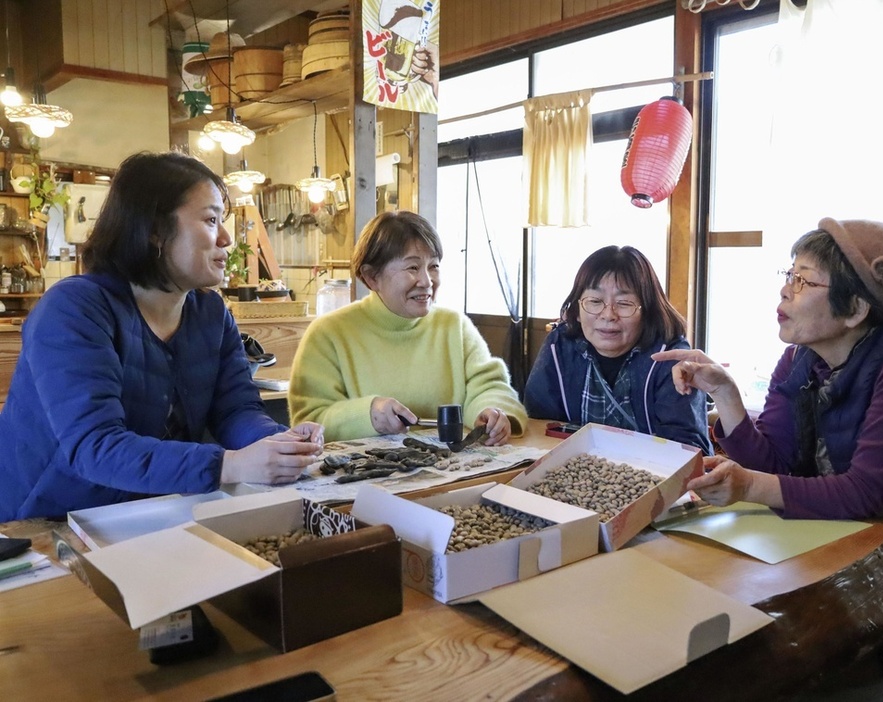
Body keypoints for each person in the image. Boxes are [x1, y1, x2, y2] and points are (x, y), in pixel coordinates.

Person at [0, 152, 324, 522]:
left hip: (152, 510)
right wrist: (229, 465)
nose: (226, 238)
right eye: (210, 220)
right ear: (154, 229)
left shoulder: (211, 314)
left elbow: (236, 410)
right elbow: (96, 446)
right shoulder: (74, 309)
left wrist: (279, 444)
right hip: (44, 523)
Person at [653, 217, 883, 527]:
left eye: (803, 281)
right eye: (789, 275)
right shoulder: (797, 359)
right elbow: (775, 466)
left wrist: (750, 486)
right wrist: (724, 393)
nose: (784, 291)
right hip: (844, 539)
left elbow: (866, 493)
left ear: (855, 309)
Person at [288, 210, 526, 444]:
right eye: (412, 268)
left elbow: (489, 385)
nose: (426, 281)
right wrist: (368, 415)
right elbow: (309, 420)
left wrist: (492, 411)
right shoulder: (329, 333)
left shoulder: (454, 326)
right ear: (372, 277)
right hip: (363, 474)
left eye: (433, 266)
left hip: (450, 471)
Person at [524, 245, 712, 453]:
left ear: (648, 312)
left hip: (652, 475)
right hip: (573, 470)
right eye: (595, 301)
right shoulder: (559, 346)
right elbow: (538, 426)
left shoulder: (671, 357)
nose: (608, 315)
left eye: (623, 303)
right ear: (577, 311)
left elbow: (691, 450)